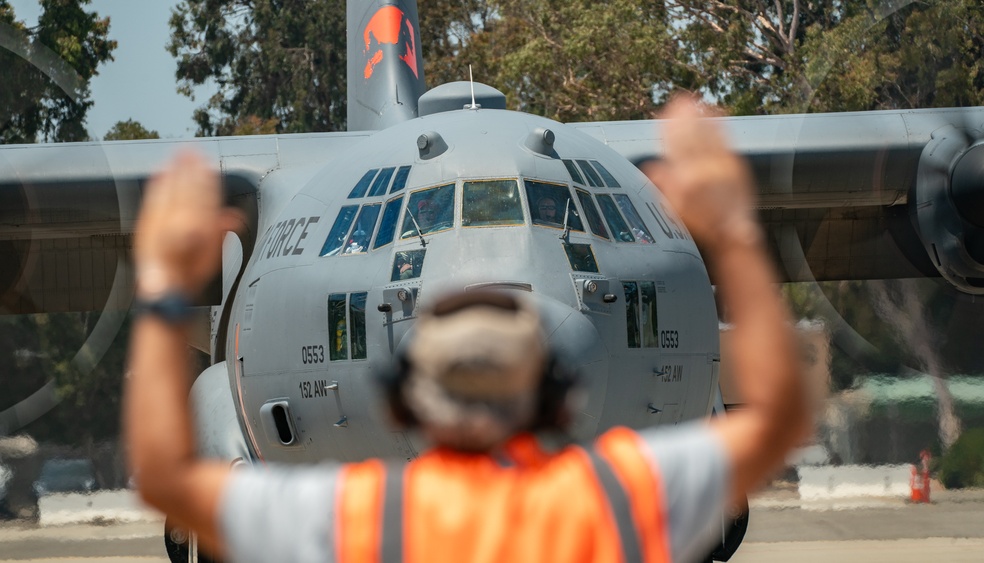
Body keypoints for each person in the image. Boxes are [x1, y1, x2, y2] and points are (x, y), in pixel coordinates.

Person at [125, 95, 810, 562]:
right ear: (561, 396)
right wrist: (735, 232)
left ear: (402, 397)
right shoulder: (609, 506)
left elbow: (163, 472)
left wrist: (162, 289)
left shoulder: (356, 519)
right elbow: (780, 417)